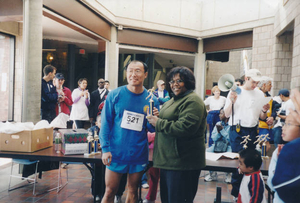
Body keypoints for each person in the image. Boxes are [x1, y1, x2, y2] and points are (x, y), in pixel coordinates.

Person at [99, 60, 159, 203]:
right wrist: (105, 149)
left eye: (137, 71)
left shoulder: (151, 99)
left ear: (145, 74)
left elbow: (151, 129)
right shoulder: (115, 95)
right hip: (115, 152)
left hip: (138, 153)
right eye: (130, 71)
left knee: (133, 191)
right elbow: (105, 124)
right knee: (109, 191)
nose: (133, 74)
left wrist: (155, 119)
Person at [146, 66, 207, 203]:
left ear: (188, 82)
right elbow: (170, 118)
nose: (174, 85)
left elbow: (185, 128)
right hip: (169, 162)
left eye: (179, 81)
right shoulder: (174, 100)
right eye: (172, 82)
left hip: (182, 163)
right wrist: (158, 116)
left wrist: (159, 122)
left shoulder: (193, 100)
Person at [224, 69, 269, 200]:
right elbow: (226, 114)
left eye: (257, 82)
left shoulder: (260, 94)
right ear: (246, 78)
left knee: (251, 162)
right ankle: (236, 193)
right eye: (253, 82)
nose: (255, 85)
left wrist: (265, 111)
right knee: (240, 162)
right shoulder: (235, 91)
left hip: (252, 130)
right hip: (237, 130)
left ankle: (249, 191)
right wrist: (232, 101)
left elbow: (261, 116)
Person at [271, 89, 300, 202]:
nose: (283, 127)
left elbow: (282, 185)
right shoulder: (281, 150)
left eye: (289, 124)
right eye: (285, 123)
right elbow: (273, 184)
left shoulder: (290, 150)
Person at [205, 108, 232, 183]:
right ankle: (212, 174)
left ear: (227, 114)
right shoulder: (218, 124)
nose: (219, 115)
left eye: (221, 113)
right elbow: (213, 138)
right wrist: (218, 131)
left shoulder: (231, 125)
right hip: (217, 145)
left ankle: (228, 174)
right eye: (219, 113)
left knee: (230, 155)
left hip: (227, 146)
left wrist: (222, 131)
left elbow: (230, 139)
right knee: (207, 152)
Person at [257, 76, 280, 144]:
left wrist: (272, 117)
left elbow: (274, 108)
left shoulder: (269, 96)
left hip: (268, 126)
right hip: (260, 126)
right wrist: (267, 119)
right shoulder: (257, 95)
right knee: (265, 146)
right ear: (264, 85)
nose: (271, 86)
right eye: (270, 84)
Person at [143, 132, 159, 203]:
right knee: (153, 176)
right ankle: (150, 197)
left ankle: (151, 197)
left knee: (155, 176)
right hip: (148, 152)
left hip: (159, 153)